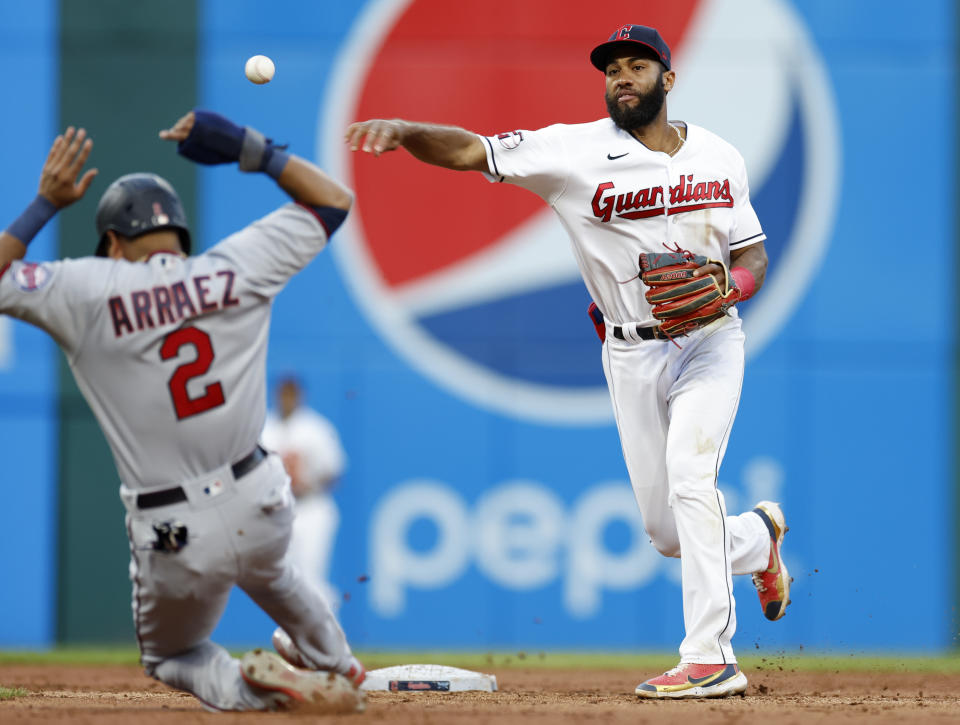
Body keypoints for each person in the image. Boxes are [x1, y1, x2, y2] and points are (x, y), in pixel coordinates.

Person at [345, 23, 790, 699]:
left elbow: (751, 249)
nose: (621, 77)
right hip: (629, 350)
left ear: (668, 80)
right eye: (611, 68)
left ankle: (709, 655)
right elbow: (473, 150)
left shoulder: (721, 155)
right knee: (666, 530)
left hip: (709, 338)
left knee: (691, 473)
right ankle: (756, 540)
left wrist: (737, 286)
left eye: (636, 66)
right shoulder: (574, 152)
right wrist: (408, 129)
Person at [0, 110, 367, 713]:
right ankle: (338, 664)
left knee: (173, 656)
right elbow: (333, 201)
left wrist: (45, 204)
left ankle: (257, 688)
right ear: (180, 239)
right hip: (260, 496)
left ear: (114, 243)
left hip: (173, 529)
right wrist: (250, 148)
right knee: (273, 573)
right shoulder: (234, 267)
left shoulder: (85, 288)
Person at [262, 376, 346, 608]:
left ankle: (328, 638)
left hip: (312, 507)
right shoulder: (265, 428)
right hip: (280, 510)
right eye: (283, 393)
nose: (287, 399)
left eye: (292, 393)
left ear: (300, 396)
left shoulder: (316, 428)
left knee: (312, 576)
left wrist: (311, 482)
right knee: (286, 580)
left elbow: (335, 471)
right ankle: (296, 640)